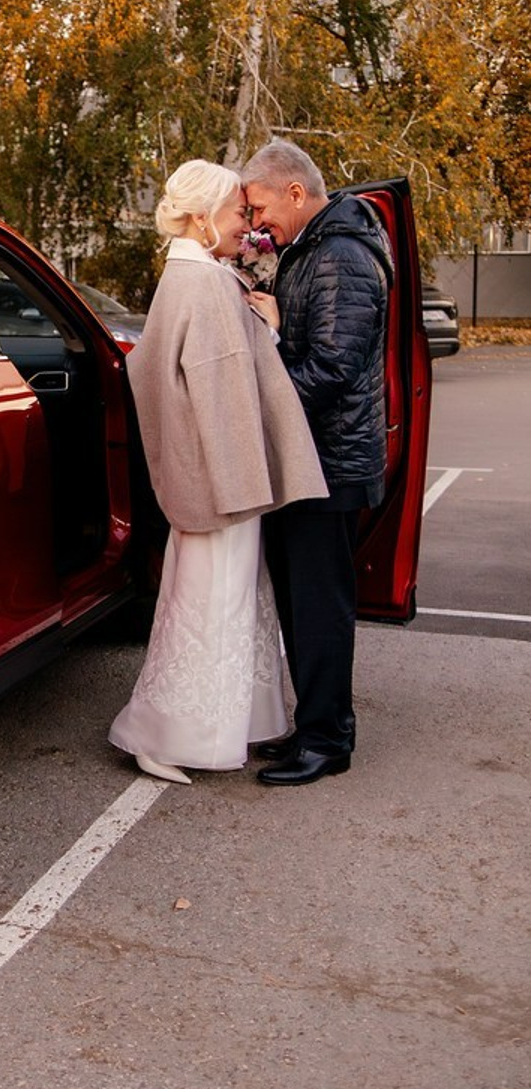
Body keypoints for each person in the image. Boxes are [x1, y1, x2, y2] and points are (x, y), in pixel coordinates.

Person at [108, 160, 328, 784]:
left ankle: (208, 727)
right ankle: (161, 733)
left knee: (209, 601)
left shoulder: (190, 274)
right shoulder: (205, 285)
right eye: (238, 213)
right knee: (213, 605)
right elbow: (224, 398)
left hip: (205, 481)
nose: (247, 226)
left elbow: (155, 372)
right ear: (203, 216)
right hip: (221, 483)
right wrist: (242, 486)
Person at [241, 139, 391, 786]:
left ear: (295, 192)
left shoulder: (340, 257)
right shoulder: (315, 250)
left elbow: (330, 369)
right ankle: (315, 726)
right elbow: (316, 345)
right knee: (305, 606)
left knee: (320, 607)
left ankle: (326, 741)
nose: (254, 223)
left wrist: (256, 399)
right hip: (313, 459)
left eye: (259, 206)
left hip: (328, 464)